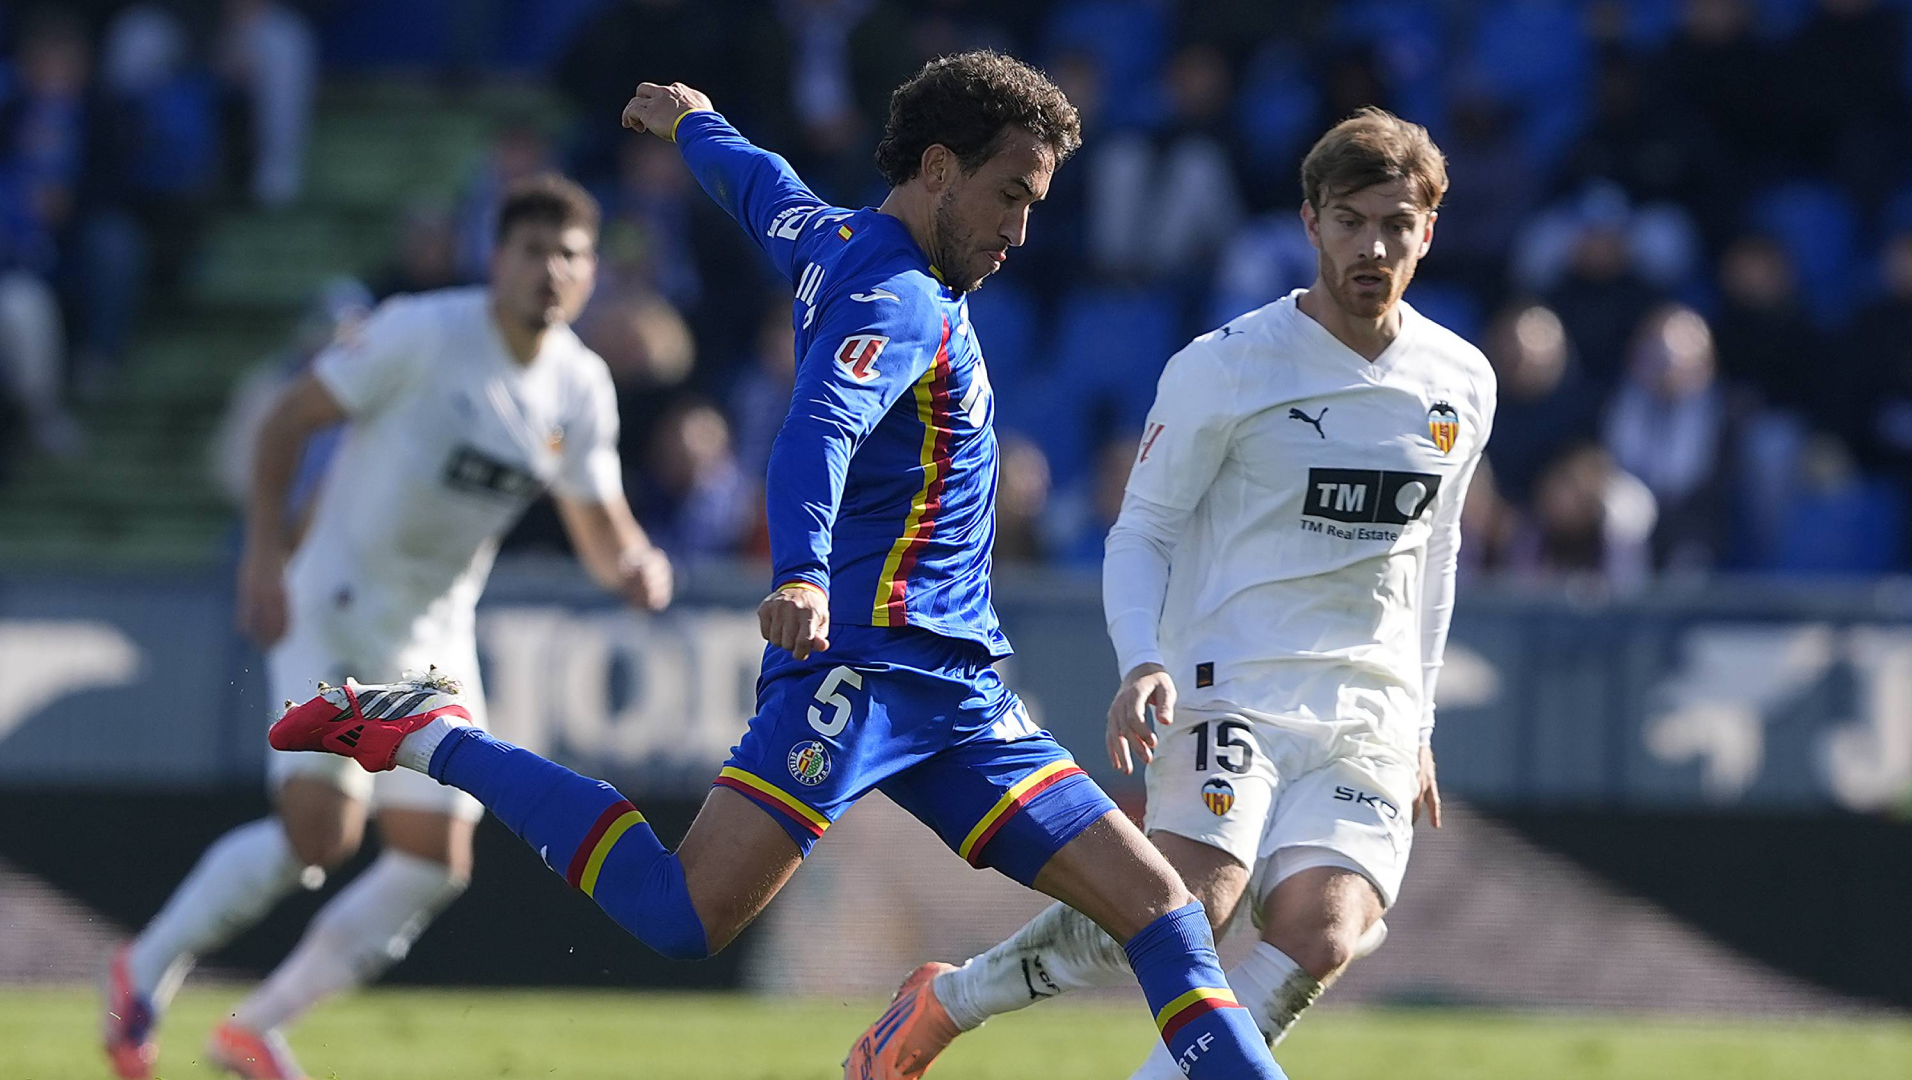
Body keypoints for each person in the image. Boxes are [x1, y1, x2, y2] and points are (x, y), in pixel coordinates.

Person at [270, 53, 1287, 1080]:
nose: (1020, 230)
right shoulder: (895, 297)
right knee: (680, 917)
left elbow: (759, 186)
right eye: (1009, 195)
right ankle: (433, 732)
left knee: (1163, 910)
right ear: (939, 168)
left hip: (960, 691)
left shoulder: (834, 237)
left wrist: (694, 124)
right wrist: (801, 570)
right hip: (859, 671)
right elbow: (820, 428)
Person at [861, 106, 1498, 1079]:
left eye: (1396, 223)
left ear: (1429, 229)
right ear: (1310, 222)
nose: (1373, 245)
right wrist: (1144, 659)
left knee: (1324, 932)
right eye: (1351, 219)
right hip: (1229, 683)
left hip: (1367, 707)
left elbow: (1438, 549)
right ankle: (951, 999)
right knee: (1184, 909)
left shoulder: (1461, 379)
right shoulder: (1228, 366)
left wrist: (1416, 720)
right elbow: (1143, 530)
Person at [103, 175, 673, 1080]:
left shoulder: (579, 386)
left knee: (433, 861)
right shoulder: (422, 332)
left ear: (592, 272)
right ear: (498, 260)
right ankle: (144, 967)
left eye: (569, 256)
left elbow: (602, 533)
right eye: (531, 251)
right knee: (319, 839)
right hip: (334, 602)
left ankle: (252, 1029)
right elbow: (288, 420)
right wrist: (261, 555)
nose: (550, 272)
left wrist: (638, 565)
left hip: (433, 636)